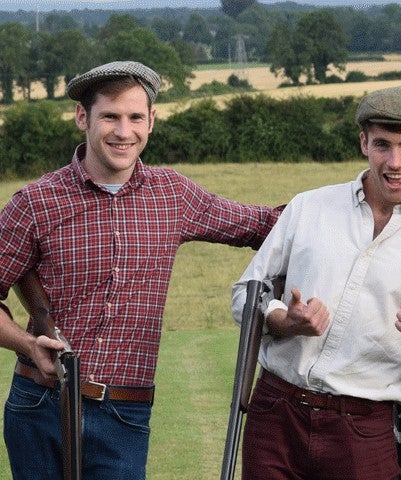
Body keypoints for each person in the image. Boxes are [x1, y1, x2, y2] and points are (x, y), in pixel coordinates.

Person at [0, 61, 282, 479]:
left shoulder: (174, 194)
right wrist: (27, 345)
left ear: (151, 121)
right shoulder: (36, 202)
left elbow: (262, 224)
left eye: (135, 117)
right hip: (40, 405)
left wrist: (344, 202)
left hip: (126, 412)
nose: (123, 131)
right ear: (83, 118)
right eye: (109, 116)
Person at [230, 85, 401, 479]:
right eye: (383, 144)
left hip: (363, 431)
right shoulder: (308, 207)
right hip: (275, 415)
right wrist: (284, 321)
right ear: (363, 143)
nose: (395, 161)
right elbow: (245, 295)